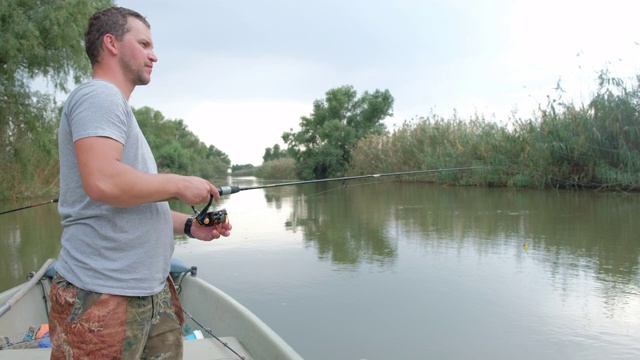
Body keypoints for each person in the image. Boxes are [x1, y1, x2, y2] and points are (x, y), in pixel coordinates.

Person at [48, 6, 232, 359]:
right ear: (112, 43)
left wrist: (191, 225)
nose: (154, 55)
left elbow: (130, 202)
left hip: (151, 292)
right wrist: (178, 184)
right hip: (103, 296)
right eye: (145, 43)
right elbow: (103, 181)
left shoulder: (117, 111)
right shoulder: (98, 96)